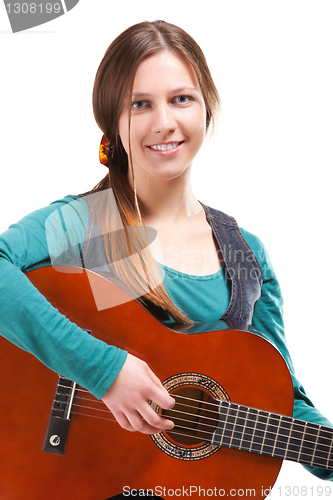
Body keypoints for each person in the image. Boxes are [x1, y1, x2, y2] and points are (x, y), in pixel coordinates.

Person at [0, 19, 332, 489]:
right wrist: (103, 370)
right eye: (140, 104)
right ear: (112, 124)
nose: (164, 122)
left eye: (181, 98)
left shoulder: (245, 254)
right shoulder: (85, 224)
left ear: (206, 109)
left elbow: (280, 396)